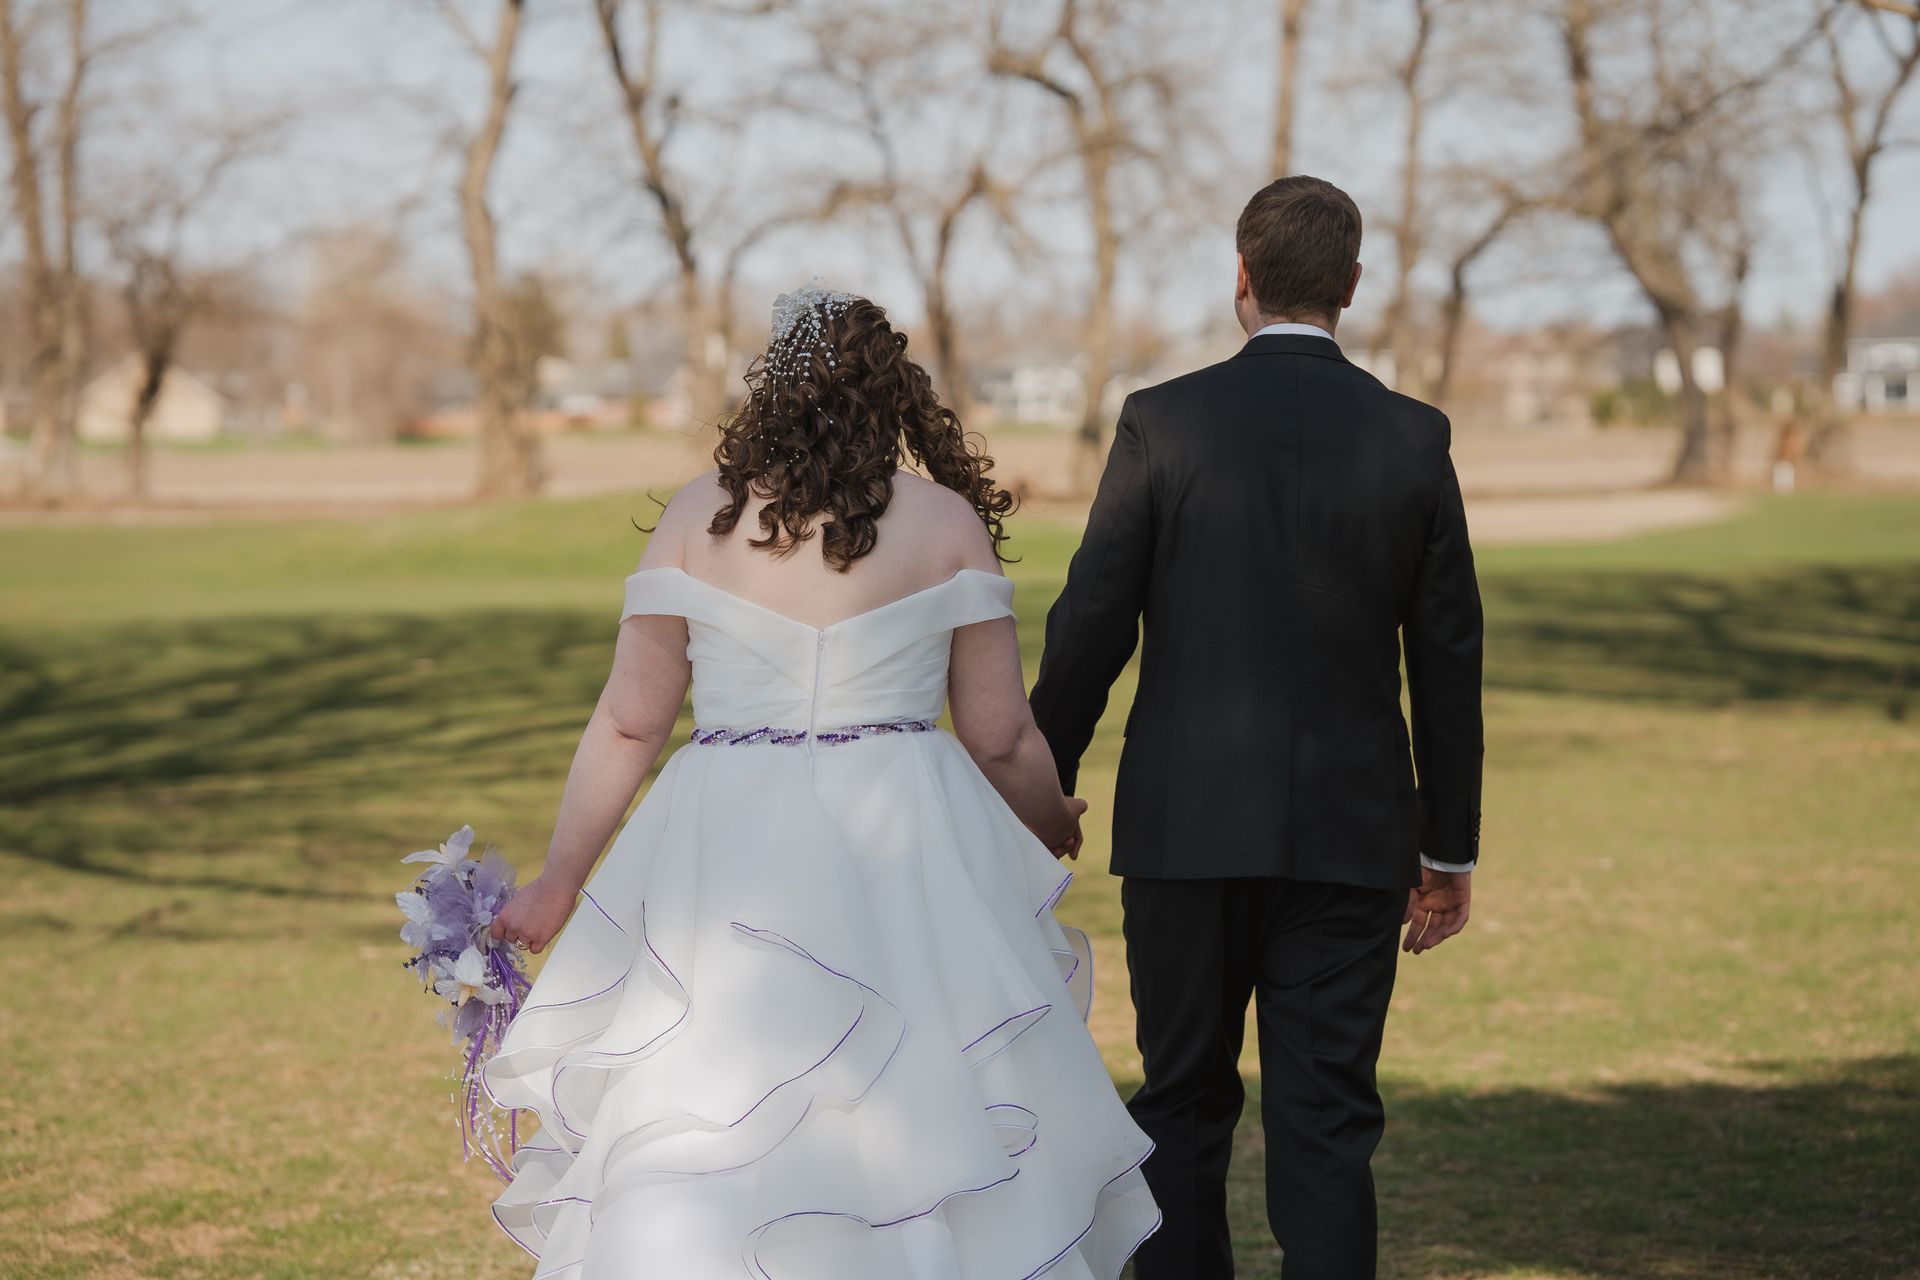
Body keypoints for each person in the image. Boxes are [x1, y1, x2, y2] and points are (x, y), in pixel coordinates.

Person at [480, 283, 1159, 1278]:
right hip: (904, 832)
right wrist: (1049, 815)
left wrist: (556, 881)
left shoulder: (696, 518)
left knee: (709, 1079)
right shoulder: (942, 520)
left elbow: (631, 718)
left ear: (773, 388)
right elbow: (1000, 730)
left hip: (725, 832)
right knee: (919, 1088)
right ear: (892, 391)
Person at [1030, 175, 1485, 1279]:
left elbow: (1093, 620)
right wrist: (1448, 848)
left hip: (1184, 832)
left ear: (1241, 277)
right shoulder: (1414, 438)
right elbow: (1450, 659)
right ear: (1352, 285)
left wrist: (1033, 789)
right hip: (1352, 837)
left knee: (1180, 1102)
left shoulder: (1164, 421)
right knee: (1327, 1120)